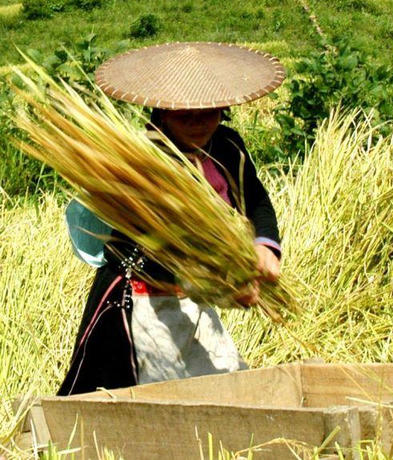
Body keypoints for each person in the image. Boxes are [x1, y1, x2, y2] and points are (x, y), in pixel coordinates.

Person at [57, 42, 285, 396]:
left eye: (208, 113)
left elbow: (256, 199)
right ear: (162, 113)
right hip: (145, 302)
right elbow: (166, 249)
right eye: (184, 115)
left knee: (227, 383)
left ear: (222, 108)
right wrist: (226, 286)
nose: (198, 123)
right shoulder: (145, 164)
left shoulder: (227, 145)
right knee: (156, 402)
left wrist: (265, 246)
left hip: (196, 299)